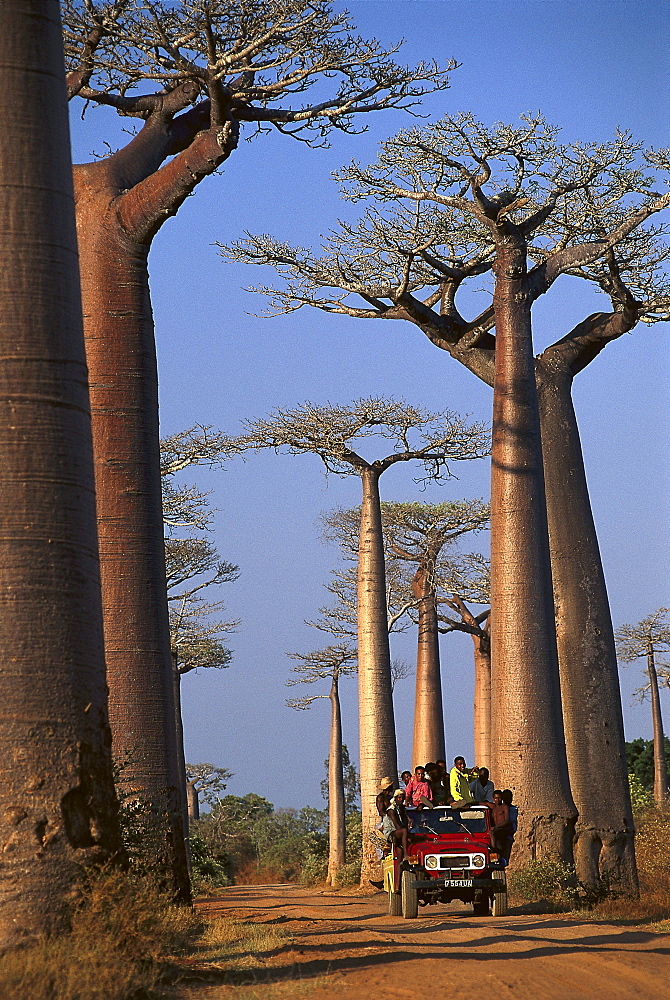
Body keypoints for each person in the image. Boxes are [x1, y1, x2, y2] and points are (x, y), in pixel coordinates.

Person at [382, 788, 410, 860]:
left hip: (397, 832)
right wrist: (406, 834)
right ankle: (406, 854)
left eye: (403, 798)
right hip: (390, 832)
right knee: (404, 831)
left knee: (399, 854)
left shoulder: (401, 809)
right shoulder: (391, 810)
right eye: (399, 797)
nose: (401, 799)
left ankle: (400, 866)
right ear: (395, 798)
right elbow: (396, 825)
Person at [489, 789, 512, 855]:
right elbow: (482, 803)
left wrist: (496, 827)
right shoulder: (493, 807)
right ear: (493, 799)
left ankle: (494, 851)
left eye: (499, 798)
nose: (498, 800)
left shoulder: (504, 807)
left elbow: (507, 820)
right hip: (496, 829)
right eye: (496, 798)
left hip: (503, 828)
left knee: (492, 833)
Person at [501, 789, 518, 861]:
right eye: (506, 797)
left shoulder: (514, 809)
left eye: (509, 797)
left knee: (505, 859)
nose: (508, 799)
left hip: (509, 836)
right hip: (500, 836)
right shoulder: (499, 808)